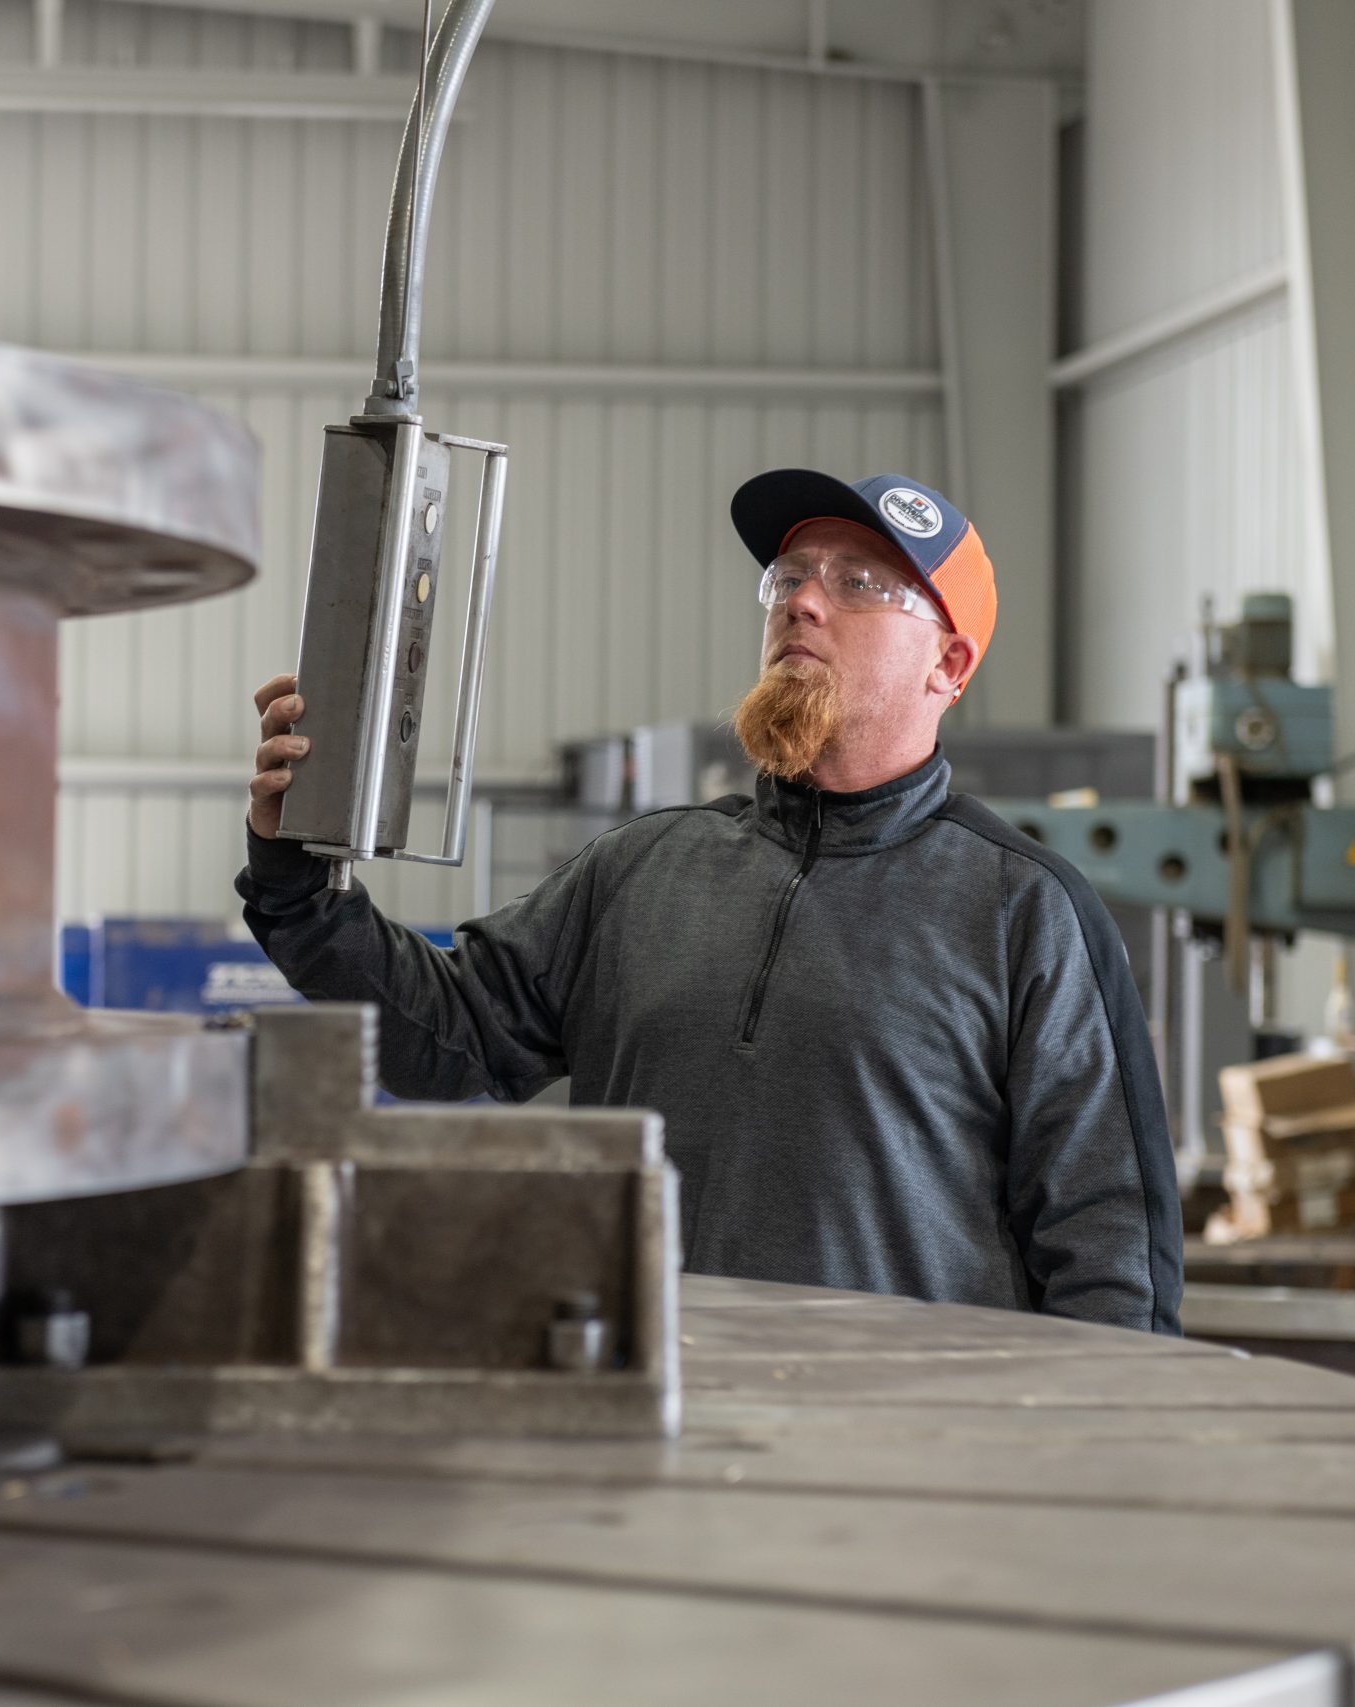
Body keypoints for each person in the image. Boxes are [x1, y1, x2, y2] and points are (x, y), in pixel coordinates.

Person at [236, 470, 1180, 1332]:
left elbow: (1109, 1246)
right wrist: (298, 879)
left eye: (858, 582)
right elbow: (442, 1034)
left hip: (892, 1440)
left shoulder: (1025, 913)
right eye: (790, 577)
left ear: (950, 664)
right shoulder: (643, 869)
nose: (802, 600)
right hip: (650, 1411)